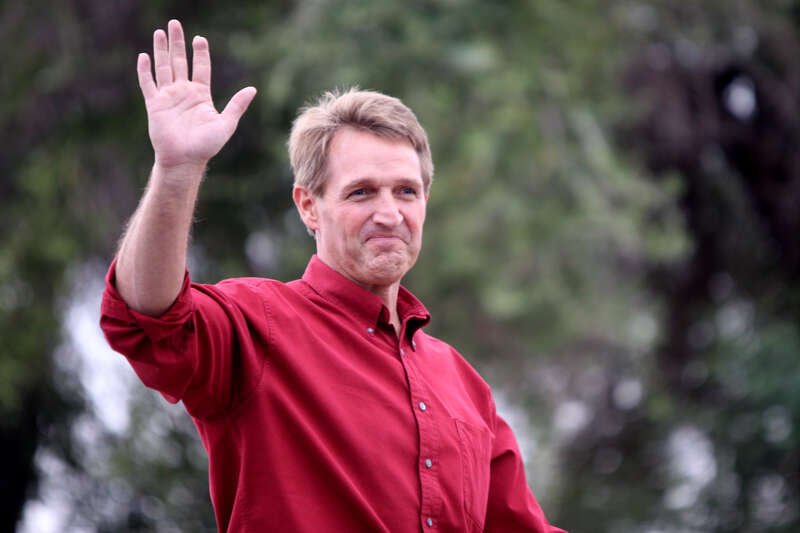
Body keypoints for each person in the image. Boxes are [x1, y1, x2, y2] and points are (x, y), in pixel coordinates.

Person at [100, 19, 566, 533]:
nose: (389, 213)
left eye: (406, 191)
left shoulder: (463, 384)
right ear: (309, 207)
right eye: (361, 192)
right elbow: (147, 316)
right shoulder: (259, 327)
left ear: (425, 203)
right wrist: (177, 169)